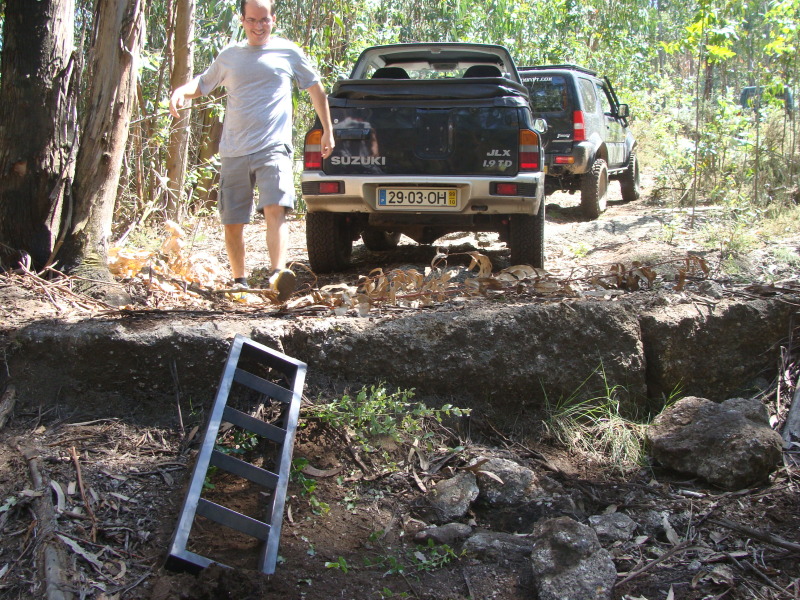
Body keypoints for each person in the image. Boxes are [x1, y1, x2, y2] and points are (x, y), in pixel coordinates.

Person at [169, 0, 334, 302]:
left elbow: (316, 89)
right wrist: (181, 90)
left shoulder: (288, 53)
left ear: (274, 19)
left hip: (274, 147)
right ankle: (239, 282)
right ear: (242, 20)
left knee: (276, 207)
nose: (259, 26)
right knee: (233, 221)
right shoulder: (230, 57)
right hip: (234, 150)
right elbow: (203, 83)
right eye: (253, 20)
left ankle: (277, 277)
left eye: (265, 20)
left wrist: (327, 130)